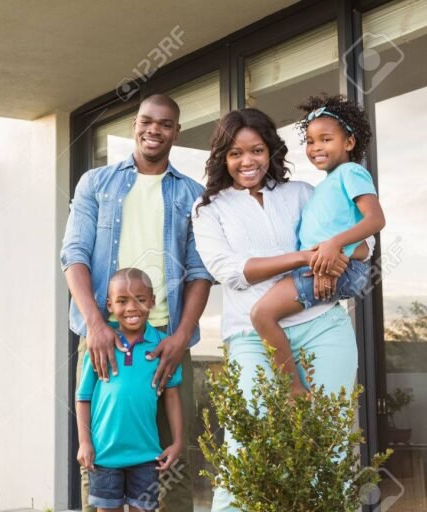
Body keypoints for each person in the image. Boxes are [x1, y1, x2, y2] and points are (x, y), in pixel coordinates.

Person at [190, 107, 372, 512]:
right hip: (253, 338)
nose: (247, 161)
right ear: (223, 157)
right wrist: (304, 258)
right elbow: (231, 272)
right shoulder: (209, 210)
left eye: (257, 150)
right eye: (236, 154)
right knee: (248, 440)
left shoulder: (303, 193)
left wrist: (334, 252)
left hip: (323, 327)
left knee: (329, 440)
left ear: (271, 151)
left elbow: (364, 245)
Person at [61, 93, 213, 512]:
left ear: (176, 132)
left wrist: (181, 336)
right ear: (134, 124)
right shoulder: (96, 183)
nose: (154, 130)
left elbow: (201, 271)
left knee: (172, 464)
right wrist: (96, 325)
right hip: (103, 335)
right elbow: (73, 255)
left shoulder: (193, 194)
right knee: (101, 460)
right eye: (147, 121)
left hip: (167, 339)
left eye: (165, 124)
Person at [250, 95, 385, 397]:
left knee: (262, 315)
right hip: (330, 266)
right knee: (265, 314)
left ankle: (293, 388)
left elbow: (375, 219)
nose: (316, 148)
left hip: (346, 269)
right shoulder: (324, 186)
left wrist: (333, 247)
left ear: (349, 142)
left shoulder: (351, 173)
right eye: (311, 142)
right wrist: (325, 259)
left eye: (326, 139)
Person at [76, 268, 183, 512]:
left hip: (146, 457)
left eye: (140, 300)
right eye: (122, 301)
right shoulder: (100, 345)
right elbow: (83, 398)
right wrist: (85, 443)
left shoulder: (162, 345)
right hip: (104, 456)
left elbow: (172, 395)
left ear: (152, 302)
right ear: (110, 305)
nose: (132, 308)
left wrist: (177, 441)